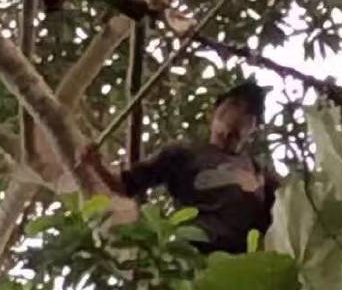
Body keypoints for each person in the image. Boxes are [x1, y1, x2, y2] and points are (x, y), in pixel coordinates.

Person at [115, 80, 278, 254]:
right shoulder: (185, 154)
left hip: (245, 264)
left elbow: (285, 217)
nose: (236, 116)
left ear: (253, 130)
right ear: (213, 113)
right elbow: (127, 184)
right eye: (233, 105)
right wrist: (92, 167)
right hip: (198, 255)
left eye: (248, 114)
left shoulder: (260, 175)